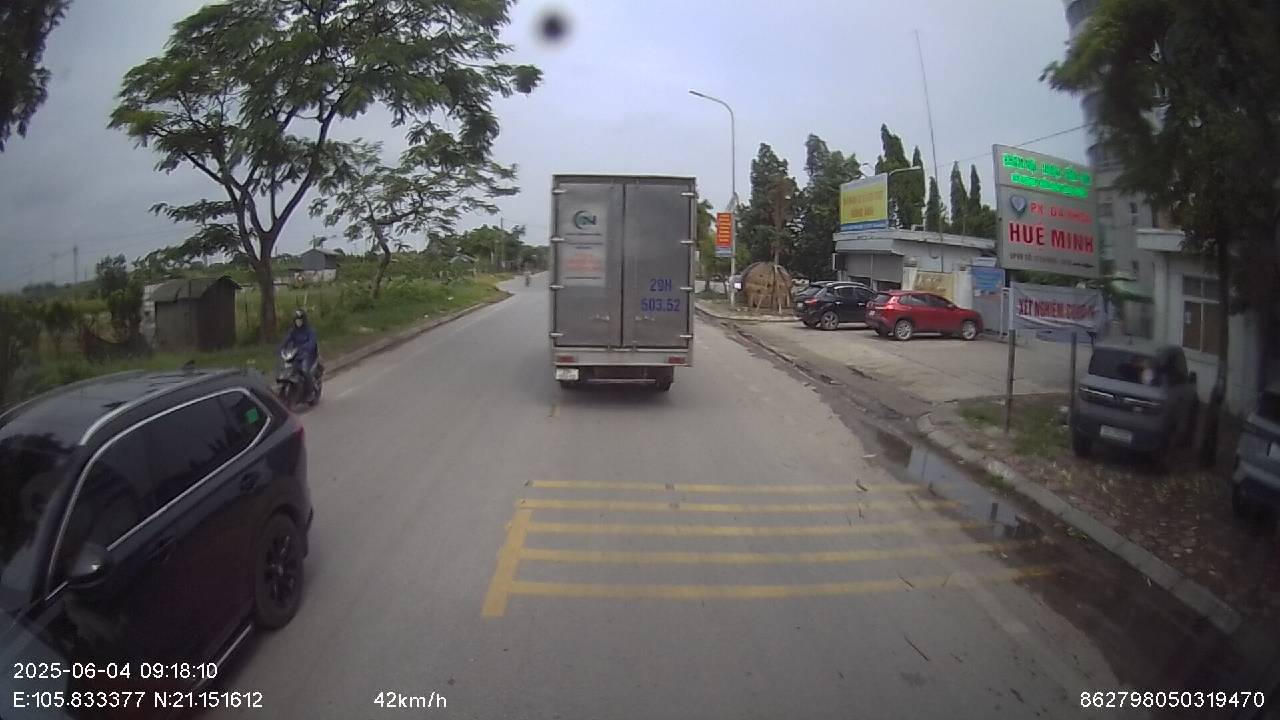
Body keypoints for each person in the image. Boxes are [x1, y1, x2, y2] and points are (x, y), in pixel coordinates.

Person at [280, 308, 319, 394]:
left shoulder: (310, 331)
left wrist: (304, 348)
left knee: (304, 371)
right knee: (287, 369)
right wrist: (281, 348)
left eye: (300, 320)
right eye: (297, 320)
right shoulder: (293, 331)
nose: (298, 322)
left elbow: (312, 344)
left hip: (308, 355)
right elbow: (286, 339)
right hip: (296, 354)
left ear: (304, 321)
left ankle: (309, 391)